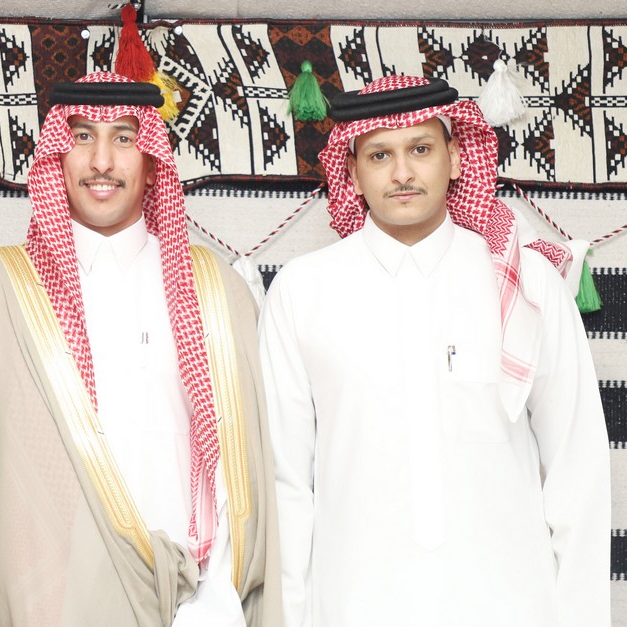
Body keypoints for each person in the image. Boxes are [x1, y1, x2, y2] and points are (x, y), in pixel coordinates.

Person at [0, 72, 280, 626]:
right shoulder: (5, 287)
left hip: (195, 601)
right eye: (82, 137)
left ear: (153, 161)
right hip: (55, 600)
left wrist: (216, 599)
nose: (101, 161)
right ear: (56, 156)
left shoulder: (215, 288)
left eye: (124, 138)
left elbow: (246, 469)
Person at [260, 74, 611, 627]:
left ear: (455, 156)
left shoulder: (526, 283)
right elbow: (285, 483)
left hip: (510, 608)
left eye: (420, 149)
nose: (402, 173)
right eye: (380, 155)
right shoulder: (302, 291)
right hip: (353, 607)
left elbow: (577, 467)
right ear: (352, 171)